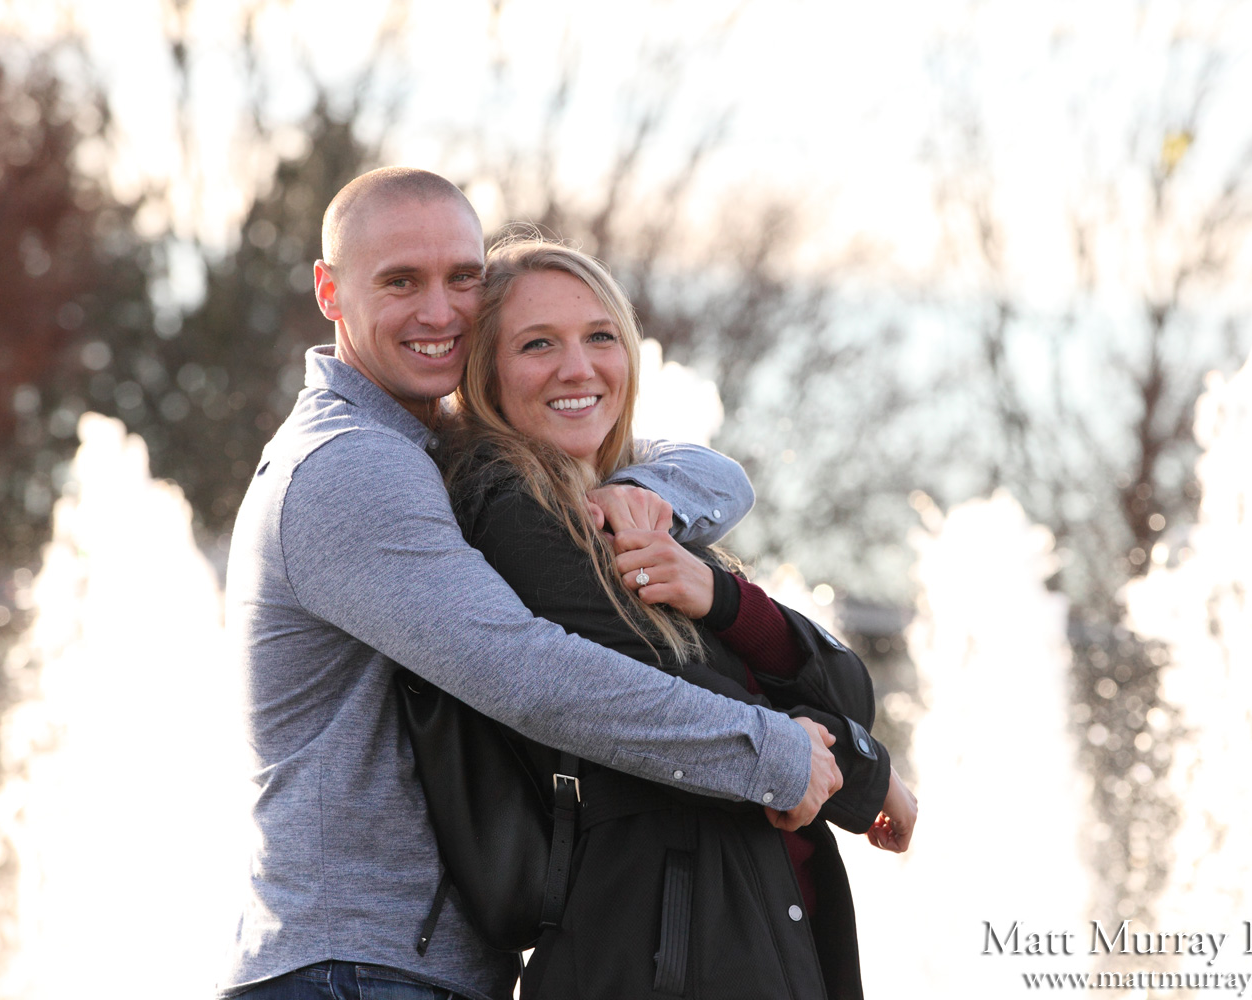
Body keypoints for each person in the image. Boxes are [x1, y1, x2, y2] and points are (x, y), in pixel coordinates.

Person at [220, 167, 844, 1000]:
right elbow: (531, 675)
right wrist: (776, 754)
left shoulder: (425, 444)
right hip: (358, 970)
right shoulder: (352, 468)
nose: (440, 311)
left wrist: (640, 497)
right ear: (330, 292)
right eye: (401, 281)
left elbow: (711, 469)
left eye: (463, 278)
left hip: (398, 967)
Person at [439, 236, 919, 999]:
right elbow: (676, 700)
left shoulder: (632, 512)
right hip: (657, 953)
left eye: (600, 336)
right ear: (487, 373)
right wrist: (866, 772)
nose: (578, 367)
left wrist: (719, 595)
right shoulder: (510, 515)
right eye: (537, 344)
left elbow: (848, 690)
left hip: (740, 928)